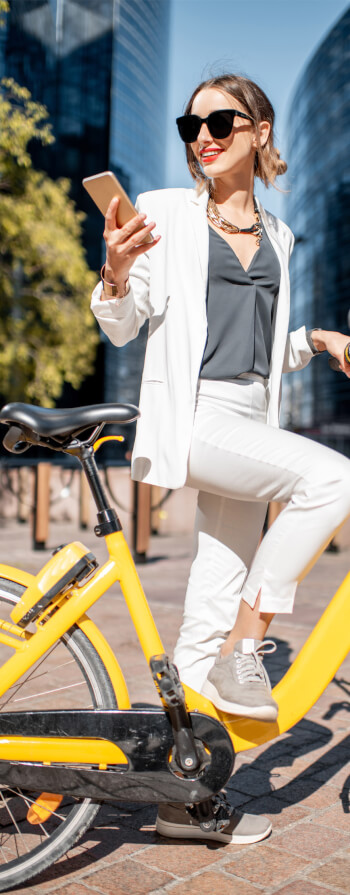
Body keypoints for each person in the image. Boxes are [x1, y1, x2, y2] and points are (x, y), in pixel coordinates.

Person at [91, 73, 350, 844]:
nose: (203, 133)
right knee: (334, 475)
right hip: (194, 417)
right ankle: (251, 646)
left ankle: (184, 799)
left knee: (203, 615)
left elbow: (259, 354)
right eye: (192, 122)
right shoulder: (167, 212)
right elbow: (122, 323)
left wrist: (318, 339)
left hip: (250, 419)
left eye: (222, 120)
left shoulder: (281, 236)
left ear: (260, 131)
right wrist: (114, 270)